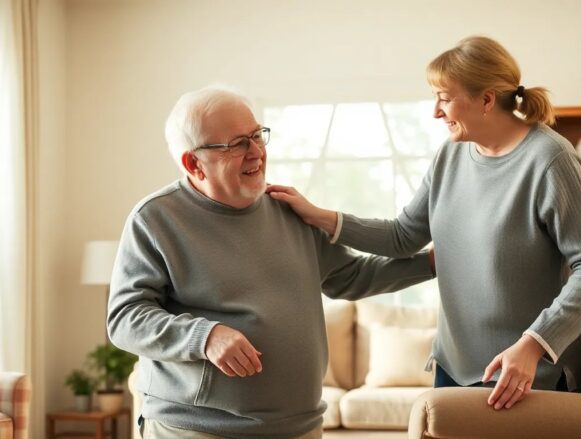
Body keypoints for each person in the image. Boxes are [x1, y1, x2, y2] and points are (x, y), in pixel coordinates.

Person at [268, 35, 581, 412]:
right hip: (453, 367)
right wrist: (321, 216)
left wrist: (534, 344)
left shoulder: (550, 160)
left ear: (486, 99)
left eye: (444, 97)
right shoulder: (449, 155)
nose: (436, 111)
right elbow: (403, 236)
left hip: (526, 373)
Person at [106, 86, 435, 439]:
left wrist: (430, 263)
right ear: (193, 163)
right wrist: (205, 336)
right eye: (237, 144)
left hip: (300, 427)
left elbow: (351, 277)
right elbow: (126, 318)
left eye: (256, 136)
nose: (256, 153)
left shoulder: (286, 209)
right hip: (197, 429)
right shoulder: (155, 219)